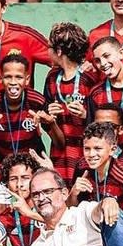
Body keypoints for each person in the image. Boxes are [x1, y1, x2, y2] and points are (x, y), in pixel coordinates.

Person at [0, 54, 50, 182]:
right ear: (1, 78)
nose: (13, 82)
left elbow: (59, 142)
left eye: (19, 77)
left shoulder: (37, 102)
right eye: (8, 77)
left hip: (31, 169)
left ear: (27, 80)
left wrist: (51, 123)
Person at [43, 22, 93, 184]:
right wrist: (49, 114)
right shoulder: (52, 77)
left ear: (58, 51)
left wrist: (86, 114)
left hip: (85, 153)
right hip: (60, 154)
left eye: (49, 47)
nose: (47, 51)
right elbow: (46, 122)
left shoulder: (89, 77)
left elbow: (102, 119)